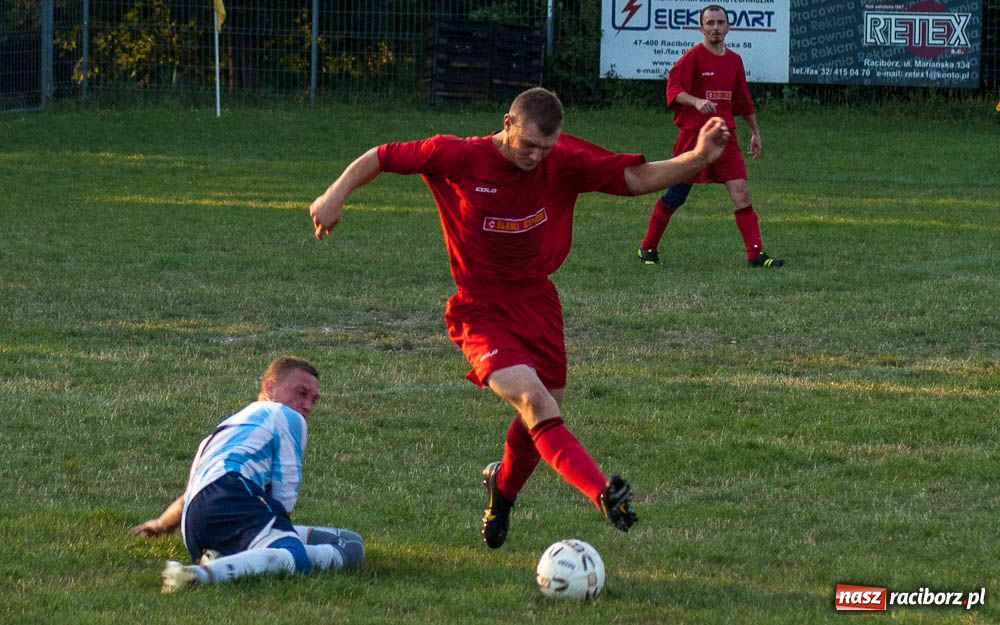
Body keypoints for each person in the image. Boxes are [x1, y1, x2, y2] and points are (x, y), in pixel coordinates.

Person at [309, 87, 731, 549]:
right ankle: (602, 493)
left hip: (538, 303)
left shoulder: (561, 159)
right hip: (480, 308)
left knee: (546, 409)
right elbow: (382, 156)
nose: (536, 156)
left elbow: (633, 177)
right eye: (528, 144)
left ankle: (503, 492)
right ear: (507, 123)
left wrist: (696, 158)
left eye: (545, 148)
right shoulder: (457, 155)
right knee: (533, 400)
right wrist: (334, 194)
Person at [128, 356, 364, 593]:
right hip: (234, 495)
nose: (308, 405)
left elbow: (195, 494)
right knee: (295, 558)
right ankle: (198, 576)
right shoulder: (287, 416)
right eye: (301, 393)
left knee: (349, 543)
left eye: (313, 399)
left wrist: (159, 525)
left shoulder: (226, 429)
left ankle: (227, 557)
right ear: (270, 387)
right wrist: (282, 535)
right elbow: (286, 487)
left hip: (196, 524)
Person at [637, 4, 784, 268]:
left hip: (725, 139)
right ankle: (647, 248)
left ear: (728, 27)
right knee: (675, 196)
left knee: (741, 192)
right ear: (701, 28)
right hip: (694, 140)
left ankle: (756, 255)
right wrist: (695, 102)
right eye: (710, 23)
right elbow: (673, 89)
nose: (715, 28)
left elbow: (743, 101)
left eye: (720, 22)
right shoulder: (693, 57)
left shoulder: (735, 60)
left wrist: (755, 133)